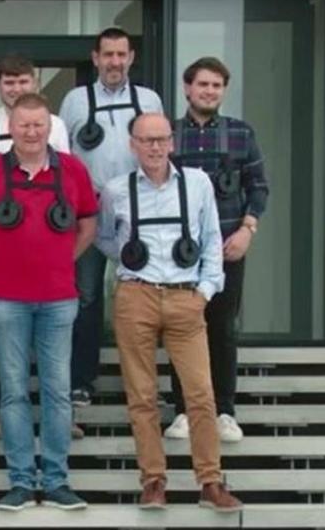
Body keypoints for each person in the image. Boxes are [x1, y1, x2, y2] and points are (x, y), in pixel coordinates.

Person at [95, 112, 242, 512]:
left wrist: (206, 290)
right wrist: (131, 266)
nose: (155, 147)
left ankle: (210, 481)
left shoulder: (197, 184)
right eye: (147, 140)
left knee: (200, 394)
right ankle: (153, 480)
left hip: (185, 298)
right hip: (135, 297)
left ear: (173, 142)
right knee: (141, 396)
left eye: (161, 139)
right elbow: (105, 238)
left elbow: (212, 238)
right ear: (133, 145)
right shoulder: (115, 190)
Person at [0, 93, 97, 511]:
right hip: (4, 299)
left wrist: (62, 260)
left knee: (57, 392)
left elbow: (88, 223)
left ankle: (56, 480)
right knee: (13, 392)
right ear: (10, 128)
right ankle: (21, 480)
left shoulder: (73, 169)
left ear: (50, 126)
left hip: (59, 299)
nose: (31, 131)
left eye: (39, 124)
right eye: (23, 124)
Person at [164, 57, 268, 444]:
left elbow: (258, 186)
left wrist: (247, 229)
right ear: (187, 88)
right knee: (181, 329)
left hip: (226, 247)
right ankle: (184, 411)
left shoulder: (240, 133)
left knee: (223, 329)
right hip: (179, 253)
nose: (209, 91)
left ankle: (224, 410)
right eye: (203, 84)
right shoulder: (170, 133)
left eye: (217, 86)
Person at [59, 27, 164, 409]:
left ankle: (139, 383)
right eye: (108, 55)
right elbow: (64, 157)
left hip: (137, 213)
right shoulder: (74, 100)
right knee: (85, 297)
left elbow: (159, 152)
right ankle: (81, 380)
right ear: (95, 58)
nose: (115, 62)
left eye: (122, 55)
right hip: (88, 213)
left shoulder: (148, 99)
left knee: (140, 296)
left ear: (131, 58)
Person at [0, 54, 69, 183]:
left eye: (23, 82)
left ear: (35, 83)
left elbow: (66, 175)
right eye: (9, 83)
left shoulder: (56, 124)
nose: (16, 89)